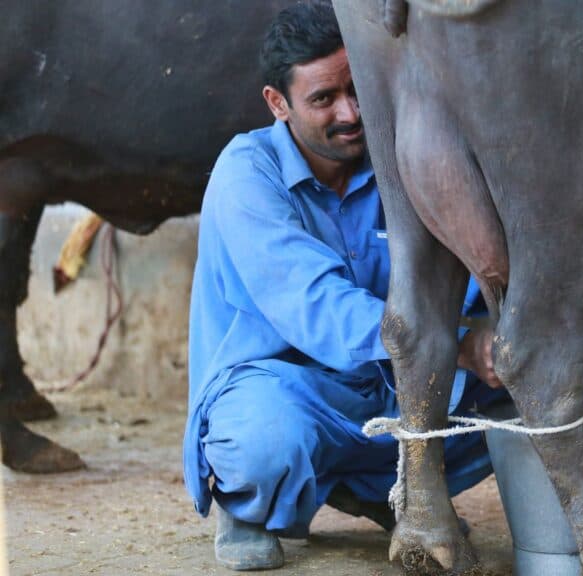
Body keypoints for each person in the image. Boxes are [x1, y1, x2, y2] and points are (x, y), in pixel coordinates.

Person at [182, 3, 506, 570]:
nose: (351, 113)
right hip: (291, 389)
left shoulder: (402, 152)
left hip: (394, 387)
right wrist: (458, 344)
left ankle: (387, 489)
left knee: (524, 390)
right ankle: (248, 505)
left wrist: (508, 335)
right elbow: (316, 307)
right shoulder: (245, 174)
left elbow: (467, 271)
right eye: (323, 99)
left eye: (357, 88)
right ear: (277, 104)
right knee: (263, 440)